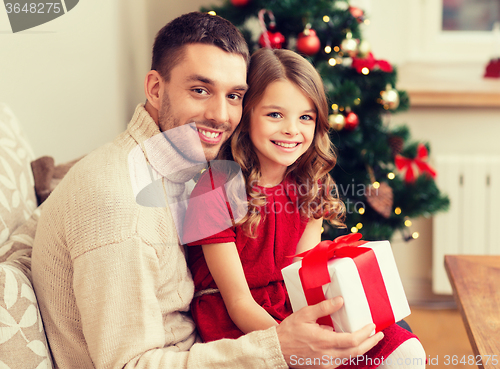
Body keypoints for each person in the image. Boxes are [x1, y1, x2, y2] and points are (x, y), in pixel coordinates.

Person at [32, 11, 385, 369]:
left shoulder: (186, 166)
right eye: (200, 90)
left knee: (382, 334)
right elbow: (130, 365)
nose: (221, 115)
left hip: (211, 344)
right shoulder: (121, 205)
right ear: (155, 88)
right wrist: (279, 347)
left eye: (234, 96)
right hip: (201, 353)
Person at [184, 48, 426, 369]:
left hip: (290, 305)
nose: (292, 130)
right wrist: (299, 347)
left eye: (305, 117)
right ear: (246, 114)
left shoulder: (312, 185)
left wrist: (338, 323)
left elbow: (303, 281)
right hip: (240, 323)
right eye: (275, 115)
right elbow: (238, 303)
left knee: (402, 350)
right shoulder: (215, 190)